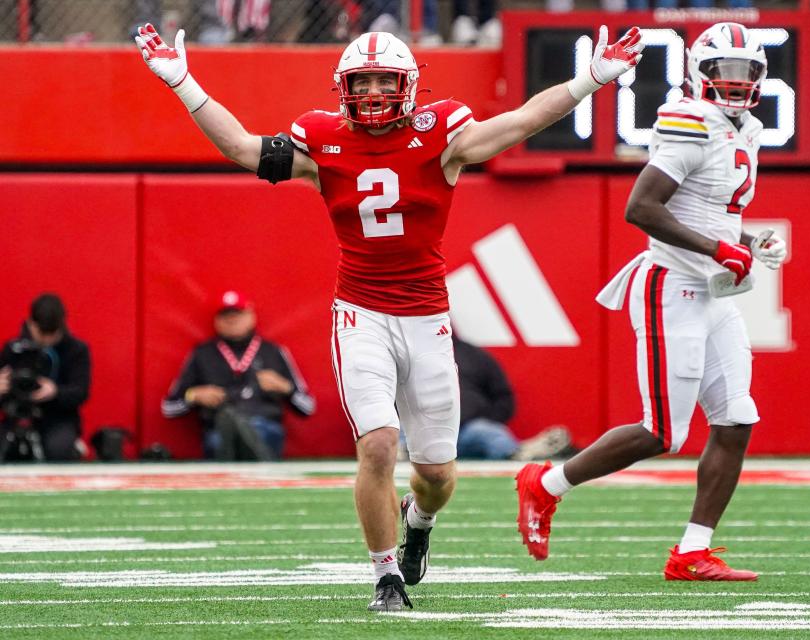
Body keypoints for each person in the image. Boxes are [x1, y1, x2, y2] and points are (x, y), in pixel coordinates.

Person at [134, 22, 643, 610]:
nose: (374, 91)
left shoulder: (442, 133)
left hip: (427, 318)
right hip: (361, 314)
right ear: (343, 87)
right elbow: (244, 148)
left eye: (384, 80)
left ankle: (418, 521)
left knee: (438, 477)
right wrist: (182, 81)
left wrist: (592, 78)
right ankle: (385, 578)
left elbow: (523, 121)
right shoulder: (322, 140)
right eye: (364, 80)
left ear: (409, 86)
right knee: (378, 446)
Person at [515, 22, 788, 582]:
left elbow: (712, 210)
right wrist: (719, 247)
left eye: (746, 71)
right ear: (699, 73)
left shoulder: (749, 127)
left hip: (713, 292)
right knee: (663, 431)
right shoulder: (689, 121)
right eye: (723, 71)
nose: (735, 83)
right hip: (671, 286)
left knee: (737, 420)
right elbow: (642, 208)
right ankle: (544, 484)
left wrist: (749, 242)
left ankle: (692, 552)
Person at [161, 290, 315, 460]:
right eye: (225, 314)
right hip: (217, 429)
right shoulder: (202, 354)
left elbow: (308, 407)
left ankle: (245, 438)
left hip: (264, 426)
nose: (231, 319)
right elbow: (169, 407)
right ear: (216, 320)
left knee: (258, 431)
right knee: (220, 434)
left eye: (237, 314)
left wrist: (286, 388)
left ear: (251, 317)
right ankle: (237, 435)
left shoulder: (273, 352)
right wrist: (193, 395)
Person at [0, 293, 90, 462]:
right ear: (31, 324)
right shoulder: (13, 350)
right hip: (14, 418)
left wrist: (56, 391)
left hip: (57, 419)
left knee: (58, 451)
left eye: (52, 333)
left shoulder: (76, 350)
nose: (47, 339)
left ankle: (72, 448)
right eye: (42, 333)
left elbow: (81, 391)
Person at [454, 334, 571, 461]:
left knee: (490, 434)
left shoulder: (472, 355)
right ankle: (520, 451)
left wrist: (486, 419)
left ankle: (518, 454)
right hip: (431, 434)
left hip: (465, 431)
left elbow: (503, 397)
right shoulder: (429, 358)